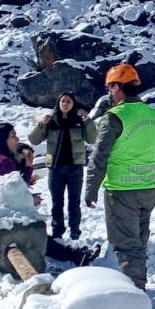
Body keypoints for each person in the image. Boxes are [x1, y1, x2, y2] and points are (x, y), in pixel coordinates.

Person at [84, 64, 155, 290]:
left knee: (127, 246)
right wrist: (143, 173)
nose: (109, 93)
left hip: (121, 192)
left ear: (118, 87)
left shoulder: (114, 117)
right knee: (139, 243)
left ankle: (134, 293)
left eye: (110, 87)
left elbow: (99, 157)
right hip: (147, 190)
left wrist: (90, 189)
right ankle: (137, 284)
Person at [29, 92, 97, 240]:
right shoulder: (51, 121)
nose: (65, 103)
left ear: (73, 104)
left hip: (75, 168)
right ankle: (57, 230)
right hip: (55, 168)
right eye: (63, 101)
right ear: (58, 103)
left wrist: (88, 121)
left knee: (74, 201)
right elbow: (33, 140)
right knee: (56, 201)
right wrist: (41, 124)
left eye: (69, 101)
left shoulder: (79, 121)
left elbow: (92, 139)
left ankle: (74, 229)